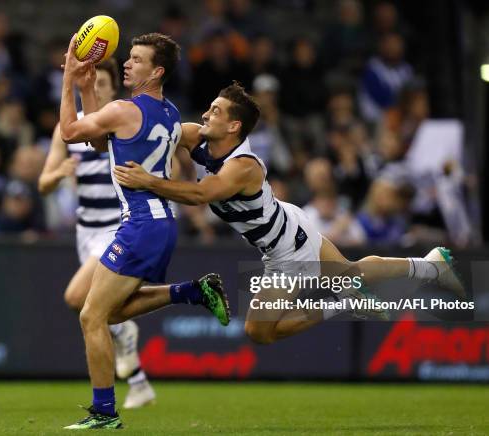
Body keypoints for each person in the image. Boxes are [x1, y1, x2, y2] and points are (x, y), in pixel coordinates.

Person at [114, 81, 466, 346]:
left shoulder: (243, 166)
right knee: (351, 273)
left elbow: (202, 194)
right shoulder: (198, 136)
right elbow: (156, 133)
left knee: (259, 332)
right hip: (288, 220)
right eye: (209, 108)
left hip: (288, 251)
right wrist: (109, 125)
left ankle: (348, 301)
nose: (206, 115)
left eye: (216, 111)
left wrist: (149, 181)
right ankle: (429, 265)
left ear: (234, 127)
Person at [59, 33, 230, 429]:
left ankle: (104, 412)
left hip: (141, 224)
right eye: (129, 57)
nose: (127, 63)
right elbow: (104, 146)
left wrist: (68, 81)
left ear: (157, 71)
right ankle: (191, 292)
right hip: (158, 223)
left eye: (136, 59)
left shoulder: (123, 109)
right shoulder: (169, 112)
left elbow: (70, 133)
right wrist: (88, 87)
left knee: (91, 317)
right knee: (110, 313)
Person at [38, 58, 156, 410]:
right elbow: (43, 184)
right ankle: (138, 382)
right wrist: (58, 172)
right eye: (92, 81)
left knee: (78, 298)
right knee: (104, 310)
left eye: (102, 83)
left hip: (116, 226)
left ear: (112, 88)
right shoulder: (68, 130)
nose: (97, 87)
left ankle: (114, 380)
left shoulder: (121, 126)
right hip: (85, 231)